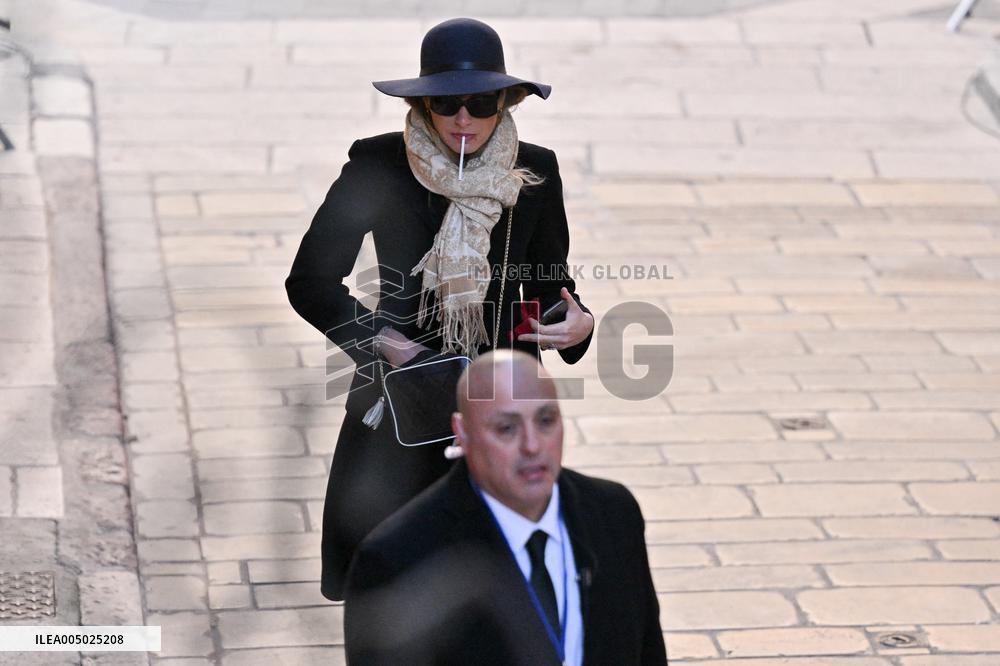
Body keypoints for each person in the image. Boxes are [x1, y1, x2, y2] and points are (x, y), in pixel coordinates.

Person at [285, 17, 595, 601]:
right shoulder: (378, 168)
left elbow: (549, 287)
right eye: (446, 104)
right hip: (400, 403)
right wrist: (383, 340)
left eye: (479, 104)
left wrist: (579, 326)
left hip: (501, 407)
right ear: (423, 105)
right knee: (392, 586)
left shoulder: (535, 171)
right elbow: (310, 282)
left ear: (505, 102)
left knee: (501, 588)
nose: (462, 120)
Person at [344, 350, 667, 665]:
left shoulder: (614, 512)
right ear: (463, 433)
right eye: (506, 428)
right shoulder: (397, 558)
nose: (532, 445)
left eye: (546, 420)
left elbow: (647, 650)